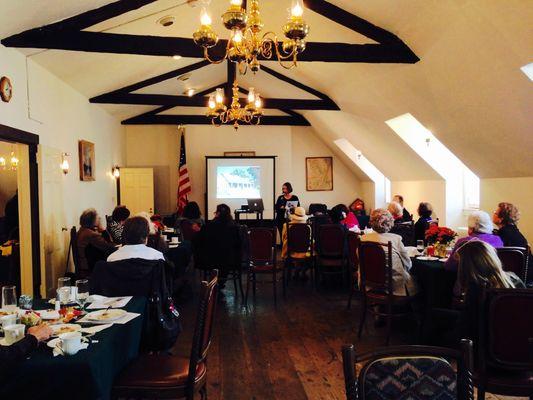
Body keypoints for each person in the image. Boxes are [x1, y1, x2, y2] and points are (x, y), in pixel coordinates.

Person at [361, 209, 418, 296]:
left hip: (369, 284)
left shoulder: (363, 239)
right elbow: (407, 264)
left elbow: (361, 261)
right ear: (391, 222)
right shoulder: (396, 239)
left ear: (371, 222)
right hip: (394, 286)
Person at [194, 204, 241, 286]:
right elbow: (238, 245)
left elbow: (199, 242)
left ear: (217, 213)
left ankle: (213, 283)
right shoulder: (235, 228)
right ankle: (221, 282)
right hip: (230, 260)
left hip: (210, 260)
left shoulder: (208, 227)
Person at [77, 208, 116, 273]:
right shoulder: (91, 234)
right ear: (92, 220)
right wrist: (103, 230)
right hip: (91, 266)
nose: (99, 219)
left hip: (86, 263)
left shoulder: (82, 230)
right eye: (98, 217)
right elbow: (109, 247)